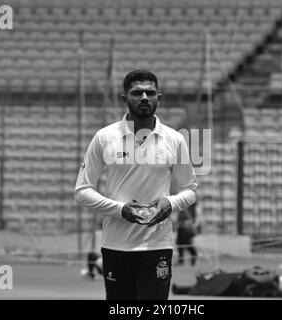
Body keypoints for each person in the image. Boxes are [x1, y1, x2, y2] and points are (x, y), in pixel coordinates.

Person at [74, 70, 197, 300]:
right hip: (116, 245)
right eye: (136, 92)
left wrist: (170, 203)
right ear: (124, 98)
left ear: (158, 98)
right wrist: (120, 210)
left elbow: (190, 190)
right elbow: (82, 191)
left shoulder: (175, 139)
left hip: (157, 246)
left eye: (150, 92)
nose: (143, 97)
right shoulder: (104, 137)